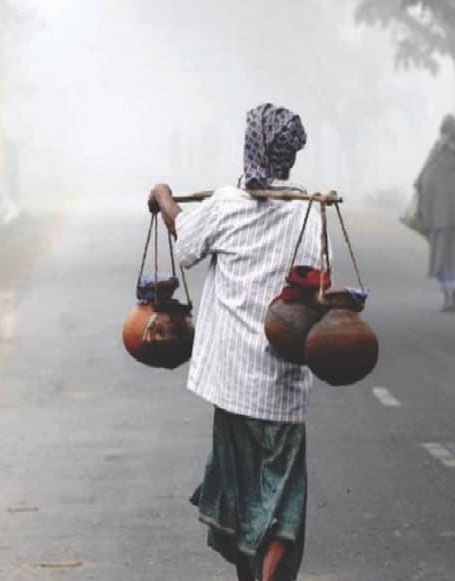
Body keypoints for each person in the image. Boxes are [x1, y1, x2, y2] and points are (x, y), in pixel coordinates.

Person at [147, 103, 323, 581]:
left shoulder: (226, 204)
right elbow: (315, 283)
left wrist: (165, 198)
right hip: (282, 382)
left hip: (233, 384)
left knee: (244, 491)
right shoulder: (308, 211)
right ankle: (273, 555)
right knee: (281, 492)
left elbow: (185, 244)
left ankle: (256, 563)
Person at [414, 114, 455, 312]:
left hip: (438, 218)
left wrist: (426, 211)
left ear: (442, 130)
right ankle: (454, 295)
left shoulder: (436, 154)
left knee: (441, 257)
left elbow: (423, 183)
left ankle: (447, 296)